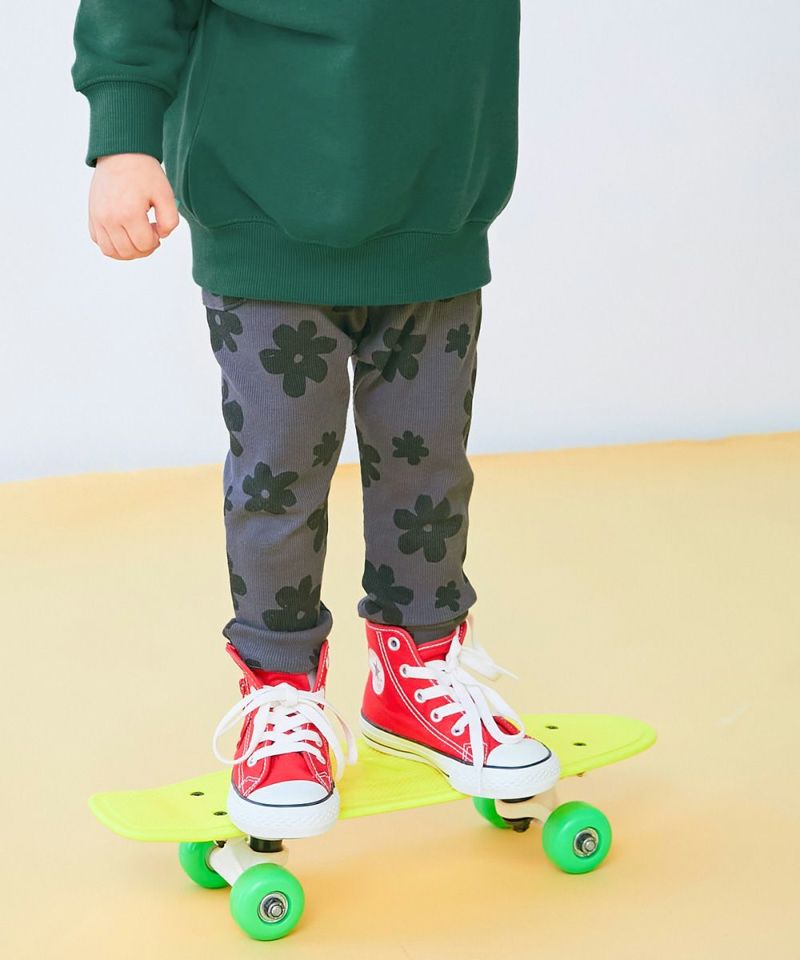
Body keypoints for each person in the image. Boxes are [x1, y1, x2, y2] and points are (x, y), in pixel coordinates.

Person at [71, 0, 560, 841]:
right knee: (280, 478)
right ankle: (280, 693)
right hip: (266, 199)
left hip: (438, 203)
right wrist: (124, 139)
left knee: (429, 472)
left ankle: (416, 672)